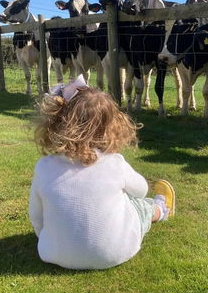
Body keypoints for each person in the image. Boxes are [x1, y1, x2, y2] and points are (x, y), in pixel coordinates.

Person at [28, 75, 176, 270]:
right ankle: (161, 209)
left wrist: (49, 237)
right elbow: (141, 190)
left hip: (53, 253)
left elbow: (36, 216)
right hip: (115, 253)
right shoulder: (114, 162)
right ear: (111, 126)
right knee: (141, 206)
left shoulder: (44, 166)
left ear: (58, 123)